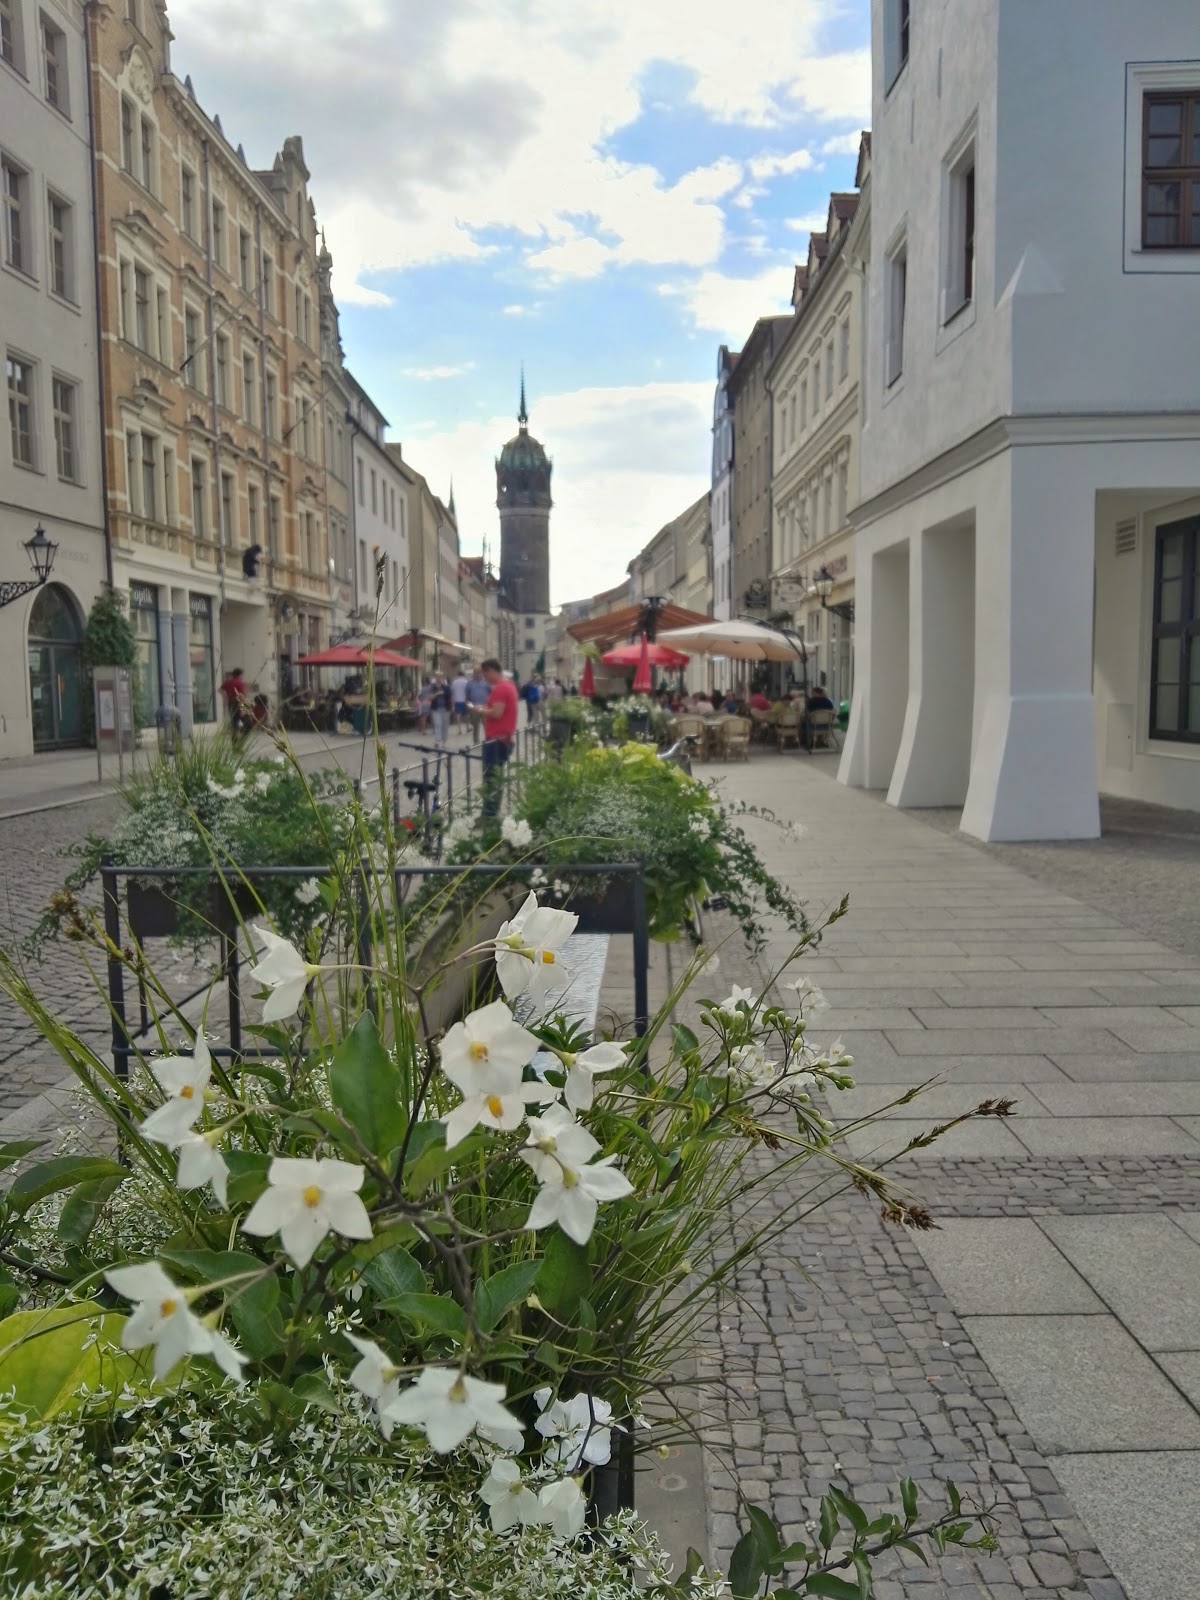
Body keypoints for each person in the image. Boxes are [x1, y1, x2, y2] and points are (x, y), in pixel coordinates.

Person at [480, 658, 518, 818]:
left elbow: (497, 713)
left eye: (485, 674)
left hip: (496, 740)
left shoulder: (500, 688)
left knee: (491, 779)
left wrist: (480, 711)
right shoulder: (509, 685)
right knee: (495, 777)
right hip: (503, 738)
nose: (485, 678)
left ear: (491, 670)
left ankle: (489, 815)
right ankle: (491, 812)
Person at [219, 666, 249, 737]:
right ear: (240, 674)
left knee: (234, 721)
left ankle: (234, 737)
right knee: (247, 722)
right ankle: (242, 736)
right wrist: (243, 707)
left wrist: (225, 696)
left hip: (230, 703)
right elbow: (241, 696)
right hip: (238, 703)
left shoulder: (228, 681)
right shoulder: (239, 682)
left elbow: (220, 690)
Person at [466, 665, 491, 741]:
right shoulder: (469, 683)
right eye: (475, 672)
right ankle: (476, 741)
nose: (477, 674)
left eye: (479, 672)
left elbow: (492, 694)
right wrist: (471, 707)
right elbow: (467, 699)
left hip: (485, 706)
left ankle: (488, 739)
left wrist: (489, 706)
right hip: (474, 707)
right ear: (473, 673)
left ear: (481, 673)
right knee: (475, 725)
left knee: (486, 724)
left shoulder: (486, 682)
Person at [429, 673, 452, 746]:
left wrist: (452, 707)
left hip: (445, 709)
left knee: (445, 725)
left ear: (443, 678)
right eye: (437, 677)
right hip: (436, 709)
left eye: (440, 677)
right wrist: (437, 694)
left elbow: (450, 698)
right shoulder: (432, 687)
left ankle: (444, 742)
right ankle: (437, 740)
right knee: (438, 724)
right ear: (435, 678)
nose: (439, 679)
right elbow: (429, 698)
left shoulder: (447, 687)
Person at [450, 669, 469, 734]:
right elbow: (468, 692)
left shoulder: (454, 682)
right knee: (466, 715)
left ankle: (459, 730)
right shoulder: (466, 682)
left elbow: (452, 693)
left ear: (458, 675)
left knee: (458, 715)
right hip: (465, 700)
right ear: (463, 675)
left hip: (457, 700)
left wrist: (452, 703)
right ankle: (467, 728)